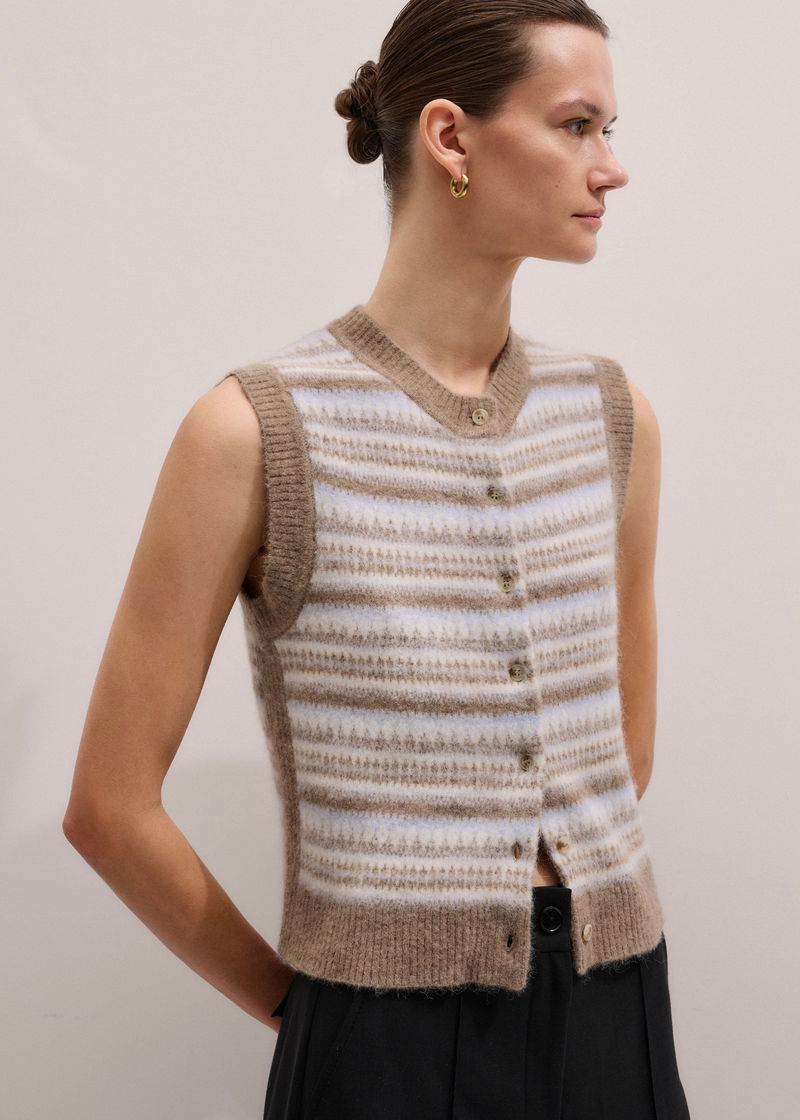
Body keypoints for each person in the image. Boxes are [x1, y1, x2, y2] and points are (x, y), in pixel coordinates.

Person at [64, 1, 692, 1116]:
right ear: (450, 137)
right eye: (575, 125)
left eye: (609, 128)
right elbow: (110, 807)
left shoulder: (611, 418)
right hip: (378, 1042)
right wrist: (310, 1012)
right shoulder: (256, 431)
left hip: (615, 1011)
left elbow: (619, 751)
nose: (612, 165)